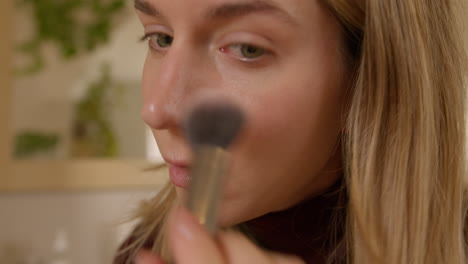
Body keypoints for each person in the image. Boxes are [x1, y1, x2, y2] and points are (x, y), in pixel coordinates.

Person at [114, 0, 468, 263]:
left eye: (246, 48)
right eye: (160, 38)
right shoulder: (147, 249)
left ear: (368, 75)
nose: (156, 110)